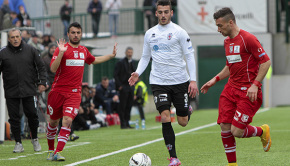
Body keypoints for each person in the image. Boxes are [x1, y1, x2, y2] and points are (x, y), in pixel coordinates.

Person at [128, 1, 198, 165]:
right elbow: (145, 57)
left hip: (180, 81)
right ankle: (174, 157)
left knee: (182, 122)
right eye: (160, 12)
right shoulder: (150, 34)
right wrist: (138, 72)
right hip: (159, 82)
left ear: (171, 13)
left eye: (166, 12)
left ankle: (186, 110)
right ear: (156, 13)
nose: (163, 15)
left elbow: (189, 56)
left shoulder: (179, 32)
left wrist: (193, 80)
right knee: (165, 116)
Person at [200, 7, 272, 166]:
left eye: (220, 25)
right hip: (230, 90)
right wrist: (215, 79)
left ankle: (262, 131)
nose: (218, 29)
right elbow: (229, 66)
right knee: (225, 127)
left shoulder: (248, 39)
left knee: (237, 132)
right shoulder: (226, 41)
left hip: (248, 93)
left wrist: (255, 84)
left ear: (230, 22)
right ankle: (232, 164)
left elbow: (266, 62)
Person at [45, 22, 117, 161]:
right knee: (53, 122)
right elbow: (53, 69)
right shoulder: (62, 48)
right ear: (68, 34)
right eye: (73, 32)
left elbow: (94, 60)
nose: (76, 35)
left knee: (67, 120)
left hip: (74, 93)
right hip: (57, 91)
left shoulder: (84, 50)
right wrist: (60, 53)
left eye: (78, 32)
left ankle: (57, 152)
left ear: (81, 34)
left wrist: (110, 56)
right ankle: (49, 150)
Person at [0, 28, 47, 153]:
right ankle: (18, 143)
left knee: (32, 115)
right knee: (14, 118)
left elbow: (41, 67)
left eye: (17, 36)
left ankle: (35, 139)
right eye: (12, 37)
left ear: (21, 37)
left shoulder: (31, 50)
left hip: (29, 89)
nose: (15, 39)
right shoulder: (2, 53)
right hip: (11, 91)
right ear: (9, 39)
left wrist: (42, 82)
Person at [114, 47, 136, 129]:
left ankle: (127, 123)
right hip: (123, 87)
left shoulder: (133, 62)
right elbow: (115, 75)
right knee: (123, 106)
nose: (130, 54)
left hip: (130, 87)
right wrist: (119, 86)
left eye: (131, 52)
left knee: (129, 105)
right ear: (125, 52)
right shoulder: (120, 62)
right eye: (128, 52)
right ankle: (122, 124)